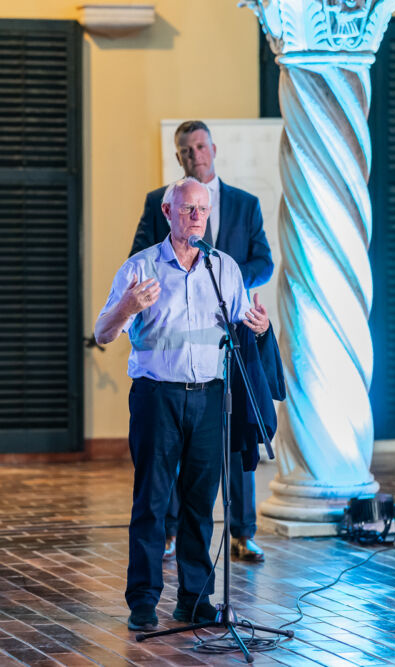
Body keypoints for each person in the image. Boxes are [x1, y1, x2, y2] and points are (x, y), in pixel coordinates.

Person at [95, 177, 271, 632]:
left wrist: (259, 326)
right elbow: (102, 333)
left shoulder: (223, 268)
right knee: (152, 501)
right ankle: (143, 600)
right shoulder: (140, 267)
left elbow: (242, 326)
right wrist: (127, 307)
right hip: (158, 397)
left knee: (199, 504)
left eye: (202, 210)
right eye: (187, 208)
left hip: (211, 398)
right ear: (167, 212)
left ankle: (195, 599)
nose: (196, 217)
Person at [130, 120, 273, 564]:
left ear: (214, 148)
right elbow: (137, 258)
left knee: (235, 438)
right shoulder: (158, 201)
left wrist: (226, 280)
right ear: (178, 158)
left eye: (200, 146)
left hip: (230, 339)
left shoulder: (245, 204)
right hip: (172, 351)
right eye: (186, 150)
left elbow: (264, 262)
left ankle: (242, 532)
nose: (195, 155)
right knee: (174, 453)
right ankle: (170, 532)